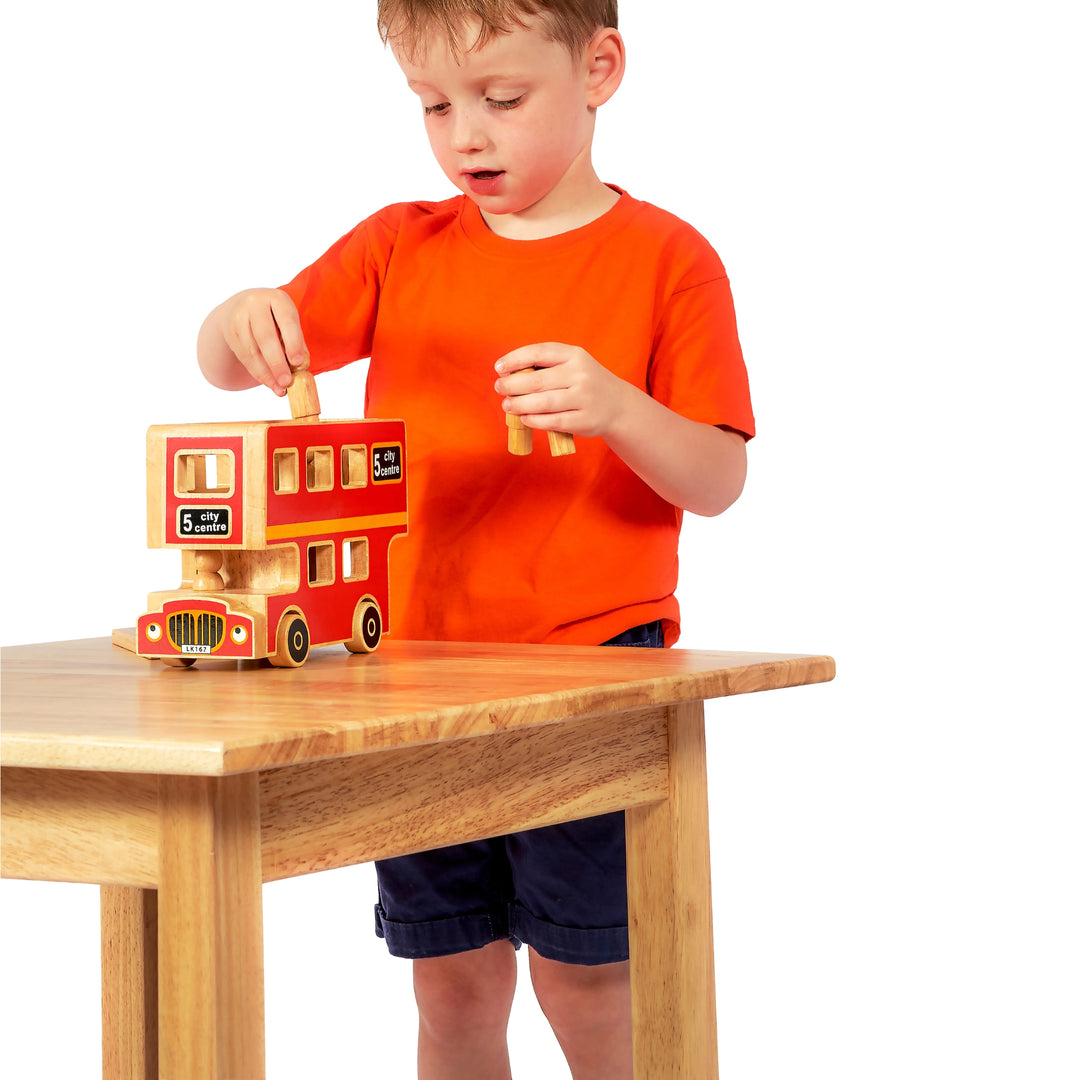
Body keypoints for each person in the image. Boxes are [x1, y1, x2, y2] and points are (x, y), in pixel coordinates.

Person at [197, 2, 754, 1076]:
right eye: (433, 106)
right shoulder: (399, 244)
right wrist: (236, 320)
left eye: (501, 98)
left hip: (595, 669)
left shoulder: (669, 259)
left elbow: (719, 480)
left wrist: (621, 409)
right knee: (450, 977)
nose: (466, 136)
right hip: (417, 671)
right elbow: (232, 363)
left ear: (600, 69)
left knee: (591, 982)